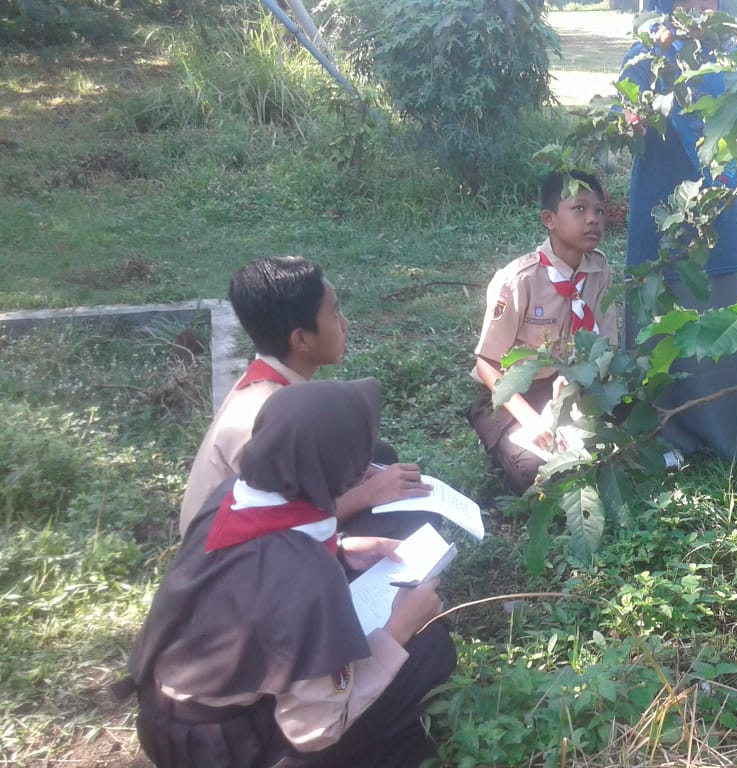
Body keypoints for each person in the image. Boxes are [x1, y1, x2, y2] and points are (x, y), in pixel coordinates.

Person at [128, 379, 457, 768]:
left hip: (164, 718)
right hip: (224, 751)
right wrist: (398, 629)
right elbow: (316, 730)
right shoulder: (308, 579)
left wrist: (342, 549)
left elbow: (250, 564)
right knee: (427, 650)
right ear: (344, 476)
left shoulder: (232, 494)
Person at [179, 256, 428, 539]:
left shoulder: (270, 381)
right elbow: (279, 531)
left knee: (375, 456)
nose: (345, 324)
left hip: (252, 527)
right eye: (335, 314)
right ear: (301, 340)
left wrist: (361, 479)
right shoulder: (265, 419)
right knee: (407, 516)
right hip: (233, 565)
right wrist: (367, 494)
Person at [620, 0, 737, 467]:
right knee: (662, 319)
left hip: (722, 213)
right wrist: (634, 113)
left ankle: (732, 438)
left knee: (725, 316)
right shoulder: (648, 50)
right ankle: (667, 436)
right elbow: (630, 124)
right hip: (661, 211)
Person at [467, 170, 619, 494]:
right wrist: (531, 421)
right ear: (549, 219)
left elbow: (606, 346)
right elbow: (488, 363)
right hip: (512, 393)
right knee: (535, 473)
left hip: (569, 386)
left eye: (599, 211)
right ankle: (508, 446)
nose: (593, 219)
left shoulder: (600, 270)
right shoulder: (518, 280)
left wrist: (581, 384)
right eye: (579, 209)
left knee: (628, 416)